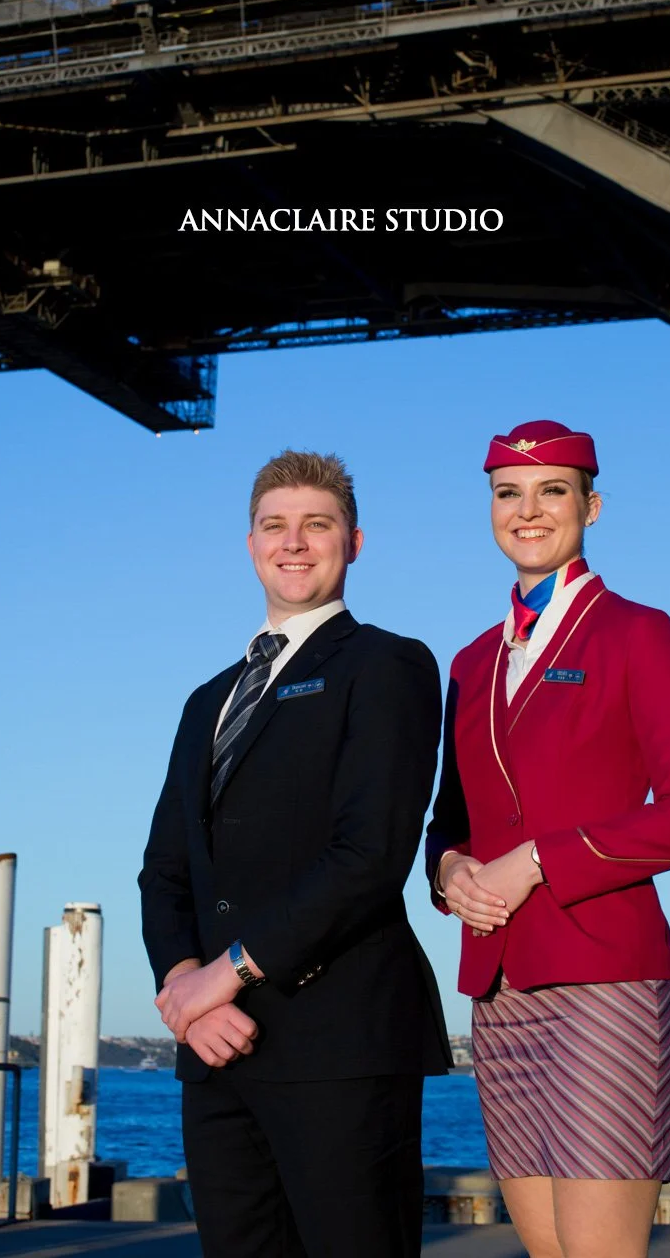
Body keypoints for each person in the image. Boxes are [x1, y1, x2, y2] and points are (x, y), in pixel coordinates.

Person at [425, 420, 670, 1258]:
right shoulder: (470, 661)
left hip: (608, 981)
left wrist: (535, 862)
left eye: (551, 491)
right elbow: (447, 820)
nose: (527, 511)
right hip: (498, 991)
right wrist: (450, 868)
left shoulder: (637, 632)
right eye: (507, 494)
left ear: (589, 506)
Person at [140, 448, 451, 1258]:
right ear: (249, 544)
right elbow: (165, 870)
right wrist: (183, 988)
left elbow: (369, 855)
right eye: (275, 526)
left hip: (338, 1042)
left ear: (353, 543)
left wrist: (224, 973)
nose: (295, 542)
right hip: (217, 1047)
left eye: (318, 525)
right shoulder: (207, 699)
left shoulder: (387, 664)